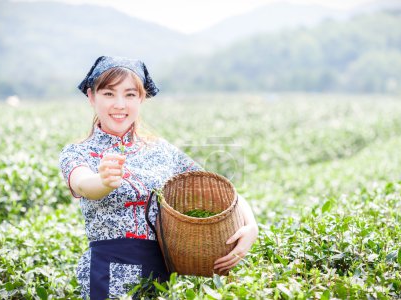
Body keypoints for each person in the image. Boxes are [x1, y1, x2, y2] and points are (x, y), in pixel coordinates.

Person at [59, 56, 259, 299]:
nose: (120, 104)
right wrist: (102, 182)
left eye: (130, 95)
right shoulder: (78, 152)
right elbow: (82, 183)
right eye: (109, 94)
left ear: (141, 98)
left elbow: (220, 191)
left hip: (161, 276)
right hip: (106, 275)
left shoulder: (161, 150)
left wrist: (251, 225)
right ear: (92, 97)